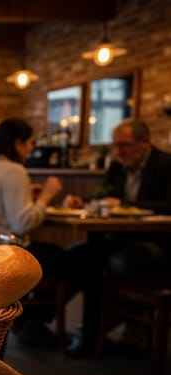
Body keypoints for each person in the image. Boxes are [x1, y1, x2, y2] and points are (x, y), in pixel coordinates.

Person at [62, 118, 171, 356]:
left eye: (124, 145)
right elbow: (105, 197)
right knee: (77, 256)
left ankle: (110, 328)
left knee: (115, 262)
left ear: (145, 142)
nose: (118, 151)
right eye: (115, 145)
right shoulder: (117, 166)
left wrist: (126, 203)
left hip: (157, 243)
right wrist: (84, 201)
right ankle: (81, 333)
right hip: (118, 238)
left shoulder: (165, 165)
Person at [0, 118, 67, 345]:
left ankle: (30, 321)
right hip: (11, 253)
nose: (31, 148)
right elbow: (23, 223)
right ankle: (33, 321)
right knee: (73, 261)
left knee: (60, 257)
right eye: (29, 142)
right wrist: (46, 197)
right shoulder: (14, 170)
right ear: (17, 143)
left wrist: (28, 192)